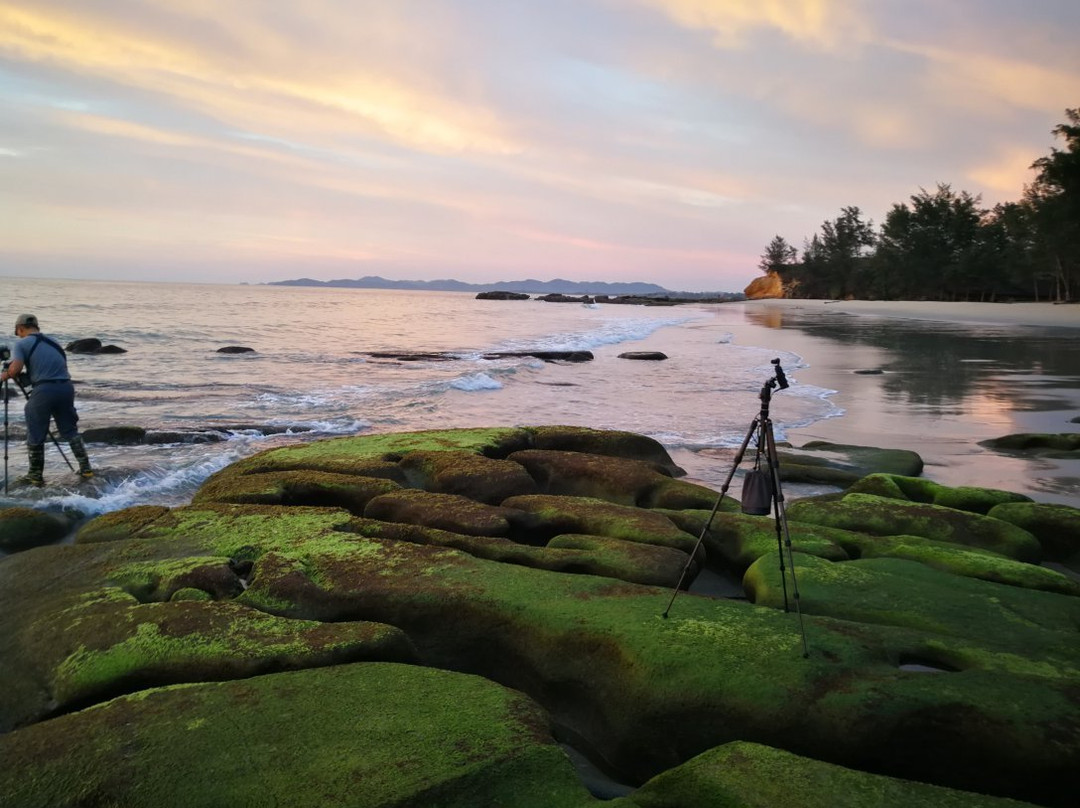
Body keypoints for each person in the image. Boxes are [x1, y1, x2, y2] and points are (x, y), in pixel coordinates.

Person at [0, 314, 93, 486]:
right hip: (66, 387)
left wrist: (3, 376)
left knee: (35, 432)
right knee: (69, 430)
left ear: (20, 328)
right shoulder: (54, 342)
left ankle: (35, 475)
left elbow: (15, 369)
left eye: (18, 332)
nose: (18, 335)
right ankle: (86, 468)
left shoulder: (21, 343)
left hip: (44, 390)